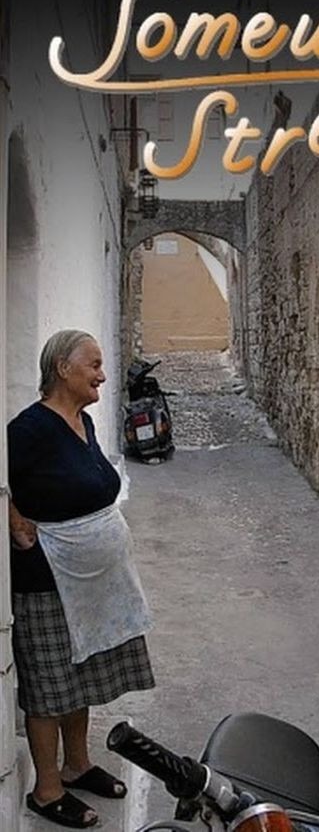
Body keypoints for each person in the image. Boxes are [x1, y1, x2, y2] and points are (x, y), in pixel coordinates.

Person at [9, 330, 155, 829]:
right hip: (46, 580)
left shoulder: (83, 422)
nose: (103, 375)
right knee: (50, 685)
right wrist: (14, 518)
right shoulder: (28, 429)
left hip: (93, 583)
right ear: (62, 368)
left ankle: (77, 764)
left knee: (81, 675)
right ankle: (47, 790)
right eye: (93, 365)